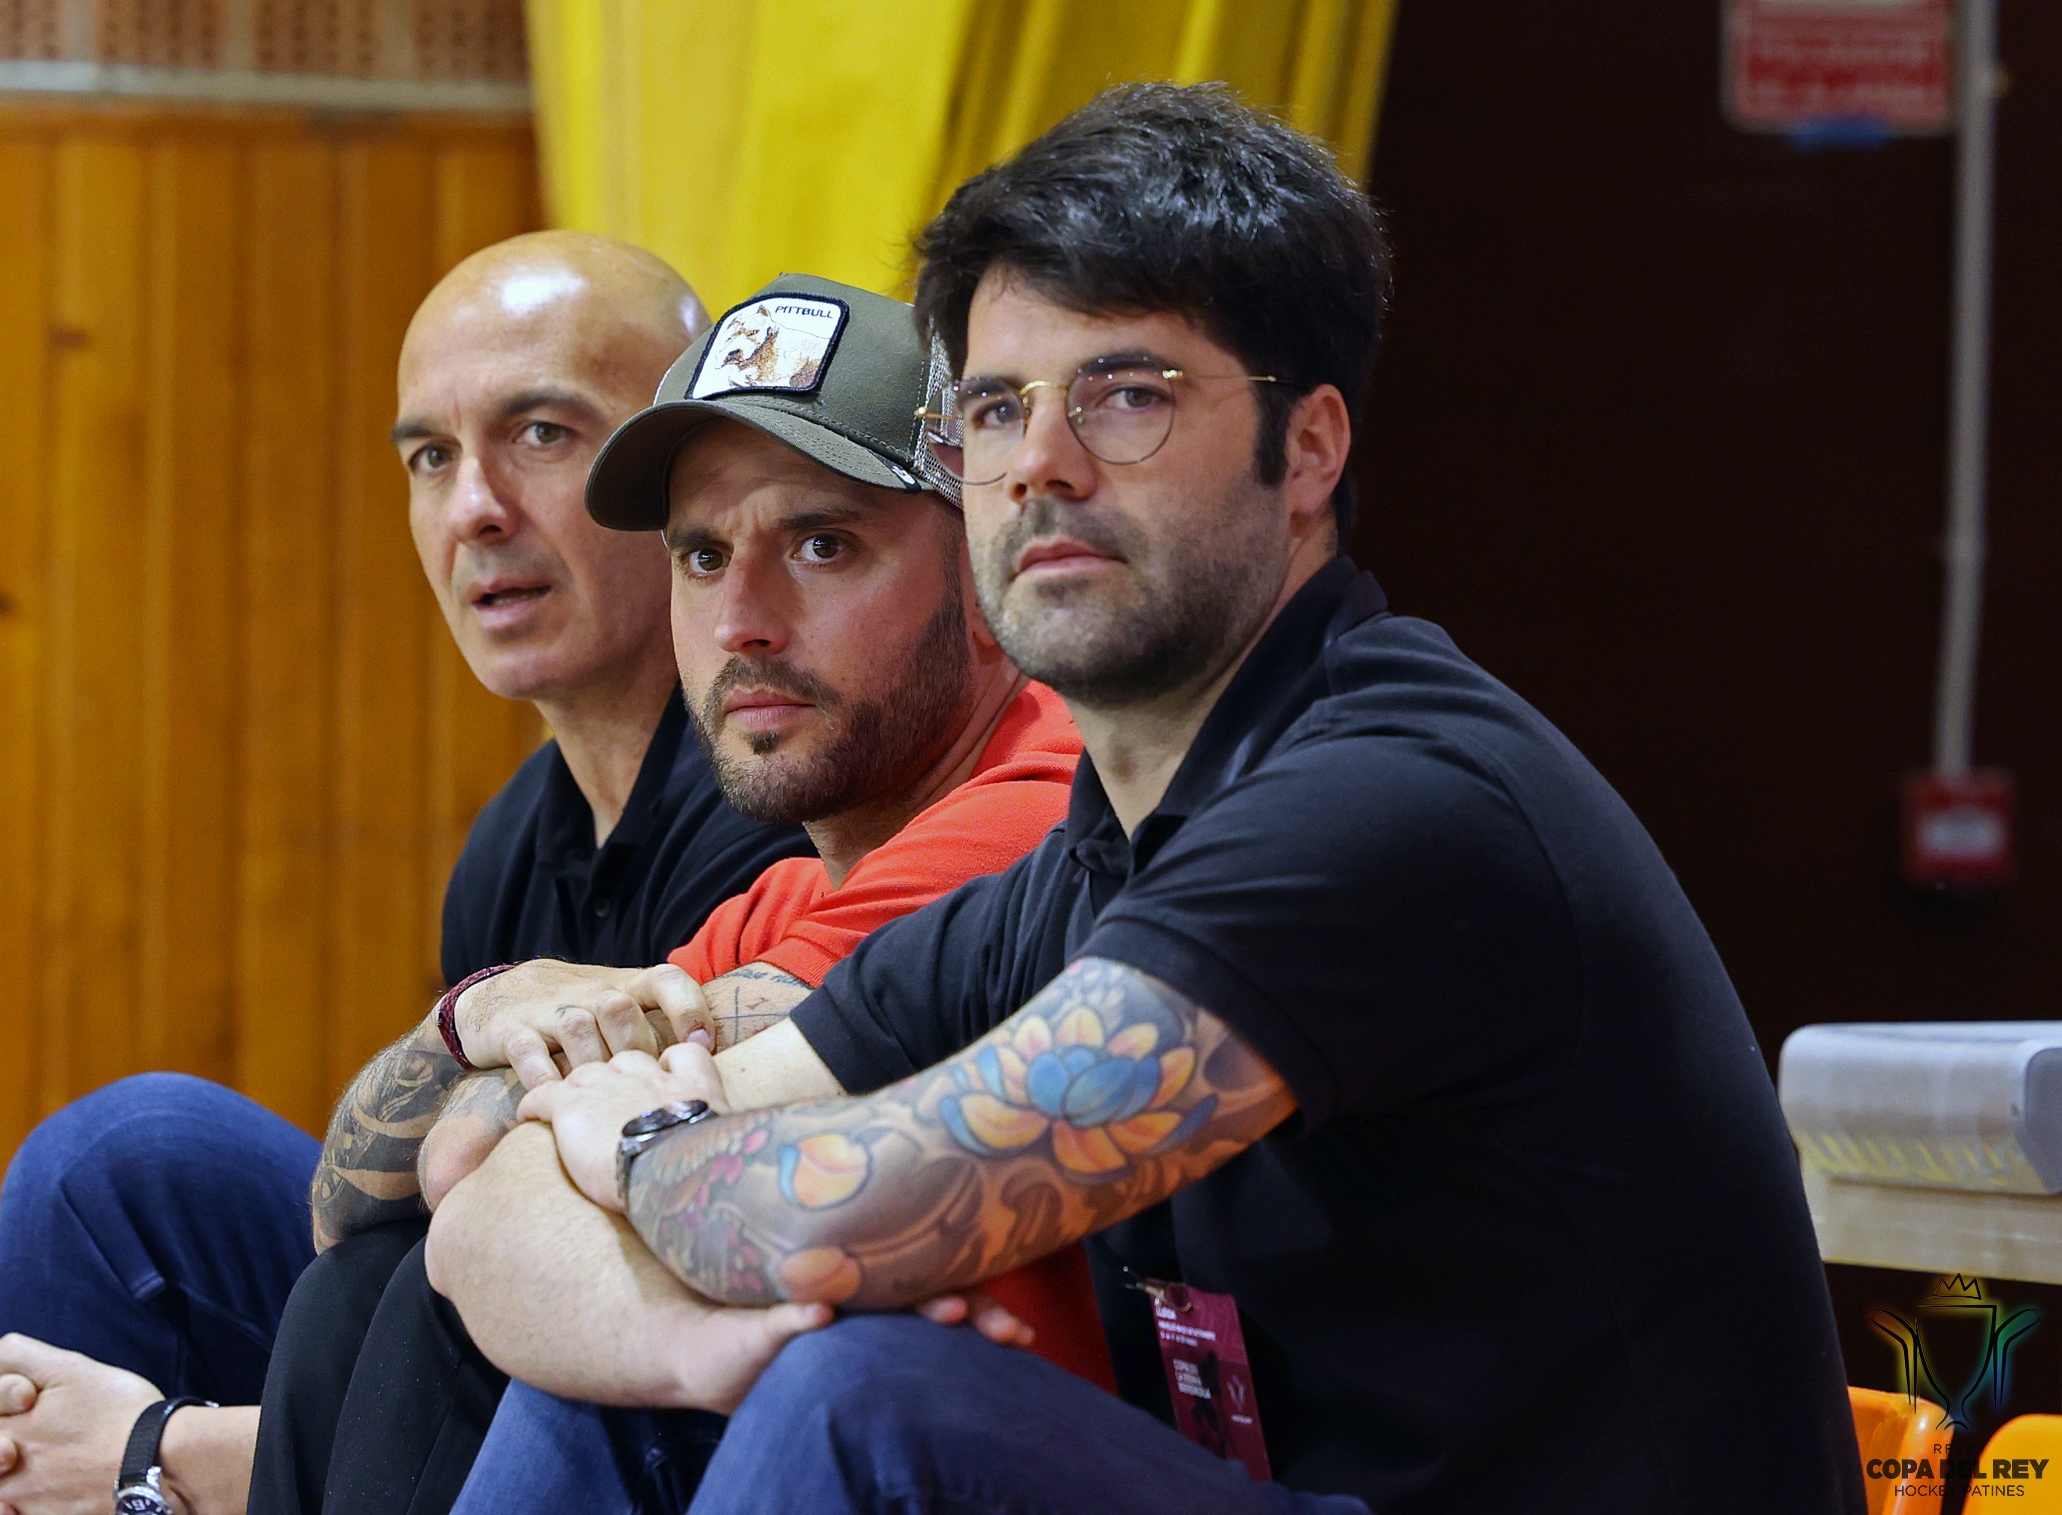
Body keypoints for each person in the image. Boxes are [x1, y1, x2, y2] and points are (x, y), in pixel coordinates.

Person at [430, 84, 1865, 1515]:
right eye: (995, 409)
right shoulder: (1077, 876)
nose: (1040, 467)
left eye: (1127, 395)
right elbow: (483, 1188)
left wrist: (636, 1140)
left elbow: (863, 1208)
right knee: (642, 1381)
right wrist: (691, 1344)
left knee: (859, 1394)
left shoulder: (1389, 800)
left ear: (1308, 448)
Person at [0, 231, 819, 1515]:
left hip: (672, 1370)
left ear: (680, 474)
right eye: (430, 456)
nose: (475, 506)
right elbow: (390, 1255)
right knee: (120, 1171)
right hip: (478, 1334)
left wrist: (158, 1453)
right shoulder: (514, 838)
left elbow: (629, 1311)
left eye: (540, 433)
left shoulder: (784, 788)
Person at [243, 275, 1109, 1515]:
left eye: (821, 544)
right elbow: (404, 1187)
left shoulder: (1048, 804)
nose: (742, 620)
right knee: (290, 1251)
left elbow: (482, 1160)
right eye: (703, 557)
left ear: (982, 572)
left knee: (568, 1338)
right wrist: (477, 1014)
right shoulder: (784, 892)